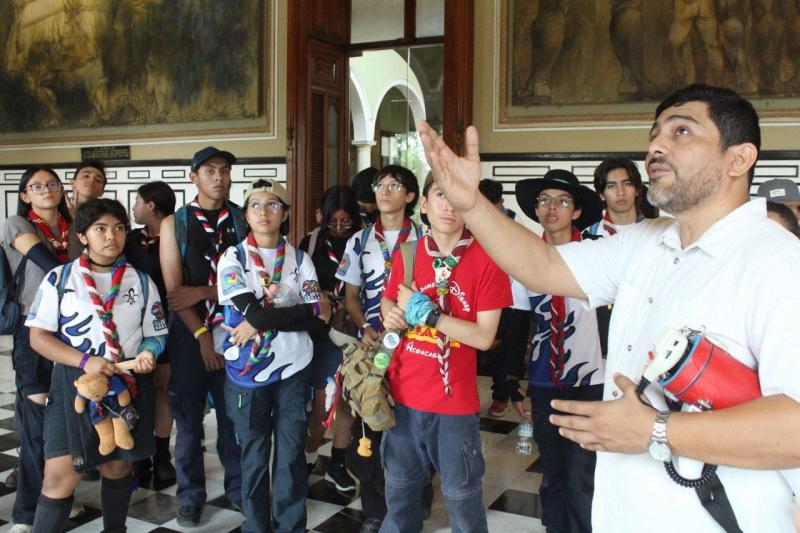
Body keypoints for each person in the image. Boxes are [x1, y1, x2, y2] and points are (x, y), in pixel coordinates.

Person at [419, 84, 800, 531]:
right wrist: (471, 205)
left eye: (681, 132)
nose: (656, 147)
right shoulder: (645, 242)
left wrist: (656, 430)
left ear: (739, 159)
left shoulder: (778, 261)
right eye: (655, 133)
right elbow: (544, 266)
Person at [26, 198, 167, 533]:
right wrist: (85, 361)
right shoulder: (60, 278)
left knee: (118, 468)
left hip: (126, 382)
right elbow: (39, 337)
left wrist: (149, 352)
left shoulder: (141, 281)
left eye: (118, 228)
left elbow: (156, 333)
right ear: (82, 235)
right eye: (100, 228)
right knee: (59, 476)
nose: (111, 236)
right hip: (75, 383)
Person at [380, 175, 511, 533]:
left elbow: (484, 337)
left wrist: (430, 315)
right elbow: (390, 300)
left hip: (454, 407)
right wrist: (392, 314)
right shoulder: (408, 253)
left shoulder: (487, 260)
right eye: (440, 195)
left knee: (462, 501)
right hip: (402, 399)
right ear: (423, 203)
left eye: (457, 197)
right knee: (400, 499)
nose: (449, 205)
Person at [217, 180, 332, 533]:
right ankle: (255, 526)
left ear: (285, 213)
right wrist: (284, 315)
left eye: (272, 205)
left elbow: (319, 315)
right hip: (247, 372)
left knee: (291, 454)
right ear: (245, 215)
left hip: (294, 368)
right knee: (253, 456)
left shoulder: (300, 259)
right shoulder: (234, 259)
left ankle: (290, 526)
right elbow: (258, 311)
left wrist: (260, 321)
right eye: (255, 205)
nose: (263, 212)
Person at [513, 169, 604, 532]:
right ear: (536, 209)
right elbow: (518, 322)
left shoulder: (596, 253)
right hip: (544, 379)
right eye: (544, 200)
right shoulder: (524, 258)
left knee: (582, 468)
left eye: (563, 201)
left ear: (576, 211)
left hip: (591, 378)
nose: (552, 208)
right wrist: (510, 383)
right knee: (551, 467)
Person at [159, 147, 244, 526]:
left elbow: (252, 282)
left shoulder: (242, 219)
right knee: (189, 421)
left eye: (224, 170)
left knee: (234, 419)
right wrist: (203, 336)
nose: (219, 177)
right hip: (189, 337)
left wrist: (205, 291)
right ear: (193, 176)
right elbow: (176, 294)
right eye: (210, 170)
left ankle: (239, 490)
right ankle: (190, 497)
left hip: (237, 332)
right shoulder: (175, 224)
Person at [335, 165, 421, 532]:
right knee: (371, 420)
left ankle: (415, 500)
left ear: (410, 196)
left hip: (415, 345)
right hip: (374, 346)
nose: (384, 191)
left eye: (394, 185)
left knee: (413, 425)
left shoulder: (425, 238)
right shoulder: (359, 240)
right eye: (379, 185)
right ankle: (375, 507)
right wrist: (366, 327)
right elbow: (351, 296)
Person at [3, 167, 72, 533]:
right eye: (37, 186)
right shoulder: (17, 224)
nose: (47, 190)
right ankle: (26, 512)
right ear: (25, 195)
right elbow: (49, 266)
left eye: (52, 184)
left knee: (68, 418)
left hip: (74, 330)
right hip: (34, 331)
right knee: (35, 424)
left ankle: (59, 495)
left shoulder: (72, 227)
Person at [299, 185, 360, 490]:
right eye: (332, 221)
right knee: (323, 404)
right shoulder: (311, 242)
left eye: (345, 221)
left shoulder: (364, 241)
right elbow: (298, 283)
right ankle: (310, 453)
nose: (338, 227)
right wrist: (317, 296)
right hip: (321, 332)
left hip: (353, 328)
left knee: (348, 400)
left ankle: (338, 462)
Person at [130, 181, 177, 483]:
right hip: (131, 324)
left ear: (150, 205)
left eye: (137, 201)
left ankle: (161, 454)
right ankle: (138, 453)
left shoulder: (177, 236)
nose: (134, 208)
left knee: (163, 387)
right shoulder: (131, 238)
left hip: (167, 321)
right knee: (135, 388)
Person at [477, 179, 528, 418]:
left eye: (493, 206)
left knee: (510, 351)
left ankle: (503, 395)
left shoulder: (516, 225)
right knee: (484, 346)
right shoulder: (472, 222)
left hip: (515, 299)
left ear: (501, 202)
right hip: (483, 295)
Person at [585, 158, 646, 237]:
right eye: (611, 186)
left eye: (627, 184)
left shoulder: (655, 231)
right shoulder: (589, 235)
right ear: (602, 195)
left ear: (637, 190)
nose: (620, 192)